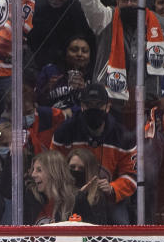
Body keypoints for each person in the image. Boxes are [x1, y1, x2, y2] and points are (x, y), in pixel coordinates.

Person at [51, 84, 136, 224]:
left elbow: (132, 174)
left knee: (121, 224)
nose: (94, 109)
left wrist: (113, 188)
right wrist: (70, 190)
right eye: (89, 105)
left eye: (99, 105)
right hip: (72, 196)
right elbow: (54, 168)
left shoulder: (122, 136)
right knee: (60, 225)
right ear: (82, 106)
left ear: (108, 107)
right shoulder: (65, 132)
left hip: (109, 198)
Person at [25, 149, 91, 225]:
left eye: (39, 170)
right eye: (33, 169)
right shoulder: (31, 197)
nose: (33, 174)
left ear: (54, 173)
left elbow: (91, 234)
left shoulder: (76, 199)